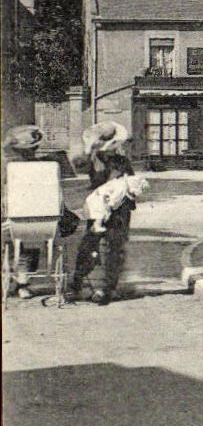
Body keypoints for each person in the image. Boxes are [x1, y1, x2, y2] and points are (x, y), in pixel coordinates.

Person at [68, 122, 136, 305]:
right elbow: (78, 165)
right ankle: (77, 284)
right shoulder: (93, 159)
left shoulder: (123, 161)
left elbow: (130, 182)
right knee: (89, 245)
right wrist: (89, 149)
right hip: (98, 208)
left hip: (120, 211)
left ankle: (108, 288)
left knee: (115, 248)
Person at [2, 124, 45, 297]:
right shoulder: (43, 165)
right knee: (32, 241)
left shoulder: (7, 165)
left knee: (11, 242)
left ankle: (17, 278)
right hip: (35, 217)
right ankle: (23, 282)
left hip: (11, 216)